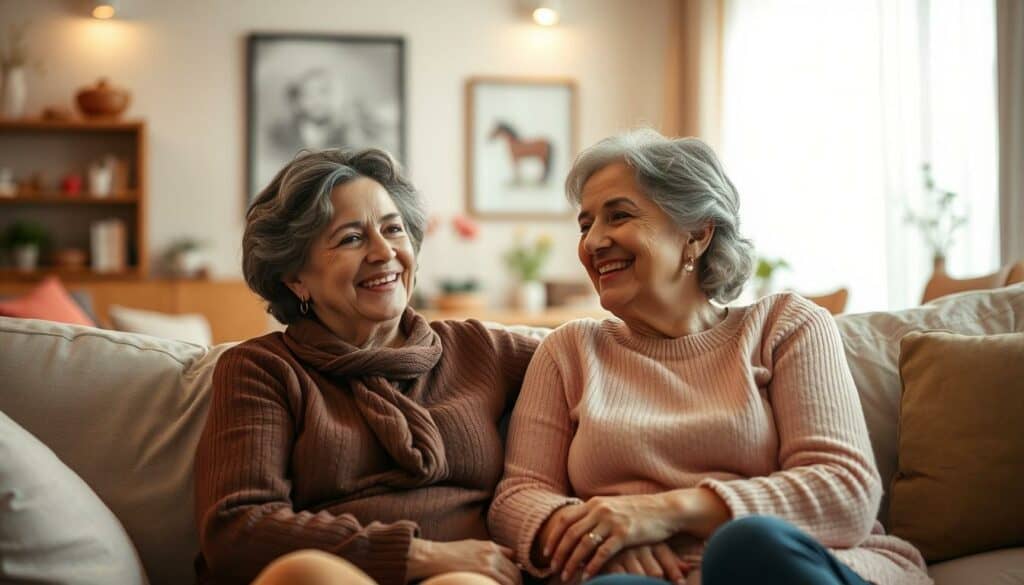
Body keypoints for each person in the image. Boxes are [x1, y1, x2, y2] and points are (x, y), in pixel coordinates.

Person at [487, 130, 932, 585]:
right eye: (585, 225)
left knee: (748, 546)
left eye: (618, 216)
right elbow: (518, 499)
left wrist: (659, 513)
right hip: (642, 577)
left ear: (697, 234)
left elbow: (845, 489)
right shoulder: (569, 350)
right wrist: (600, 544)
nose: (594, 242)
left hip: (782, 566)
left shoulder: (784, 325)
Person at [194, 148, 538, 585]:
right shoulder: (261, 370)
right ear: (295, 277)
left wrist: (647, 509)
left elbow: (601, 364)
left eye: (393, 229)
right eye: (351, 238)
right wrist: (418, 556)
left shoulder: (479, 349)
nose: (384, 252)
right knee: (305, 575)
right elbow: (236, 529)